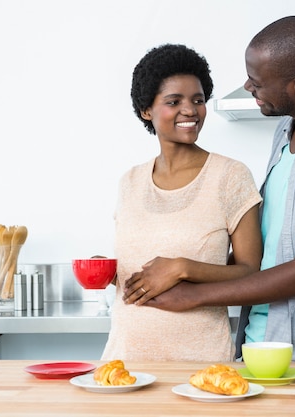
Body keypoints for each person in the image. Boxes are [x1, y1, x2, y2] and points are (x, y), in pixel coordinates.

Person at [134, 16, 295, 363]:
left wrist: (194, 295)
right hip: (260, 346)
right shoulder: (287, 131)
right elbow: (265, 248)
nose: (249, 88)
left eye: (258, 82)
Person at [101, 44, 263, 362]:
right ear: (146, 110)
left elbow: (251, 272)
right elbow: (136, 275)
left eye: (198, 100)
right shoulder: (129, 182)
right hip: (125, 360)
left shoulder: (230, 176)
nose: (190, 110)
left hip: (201, 363)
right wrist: (108, 271)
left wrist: (181, 268)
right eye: (174, 101)